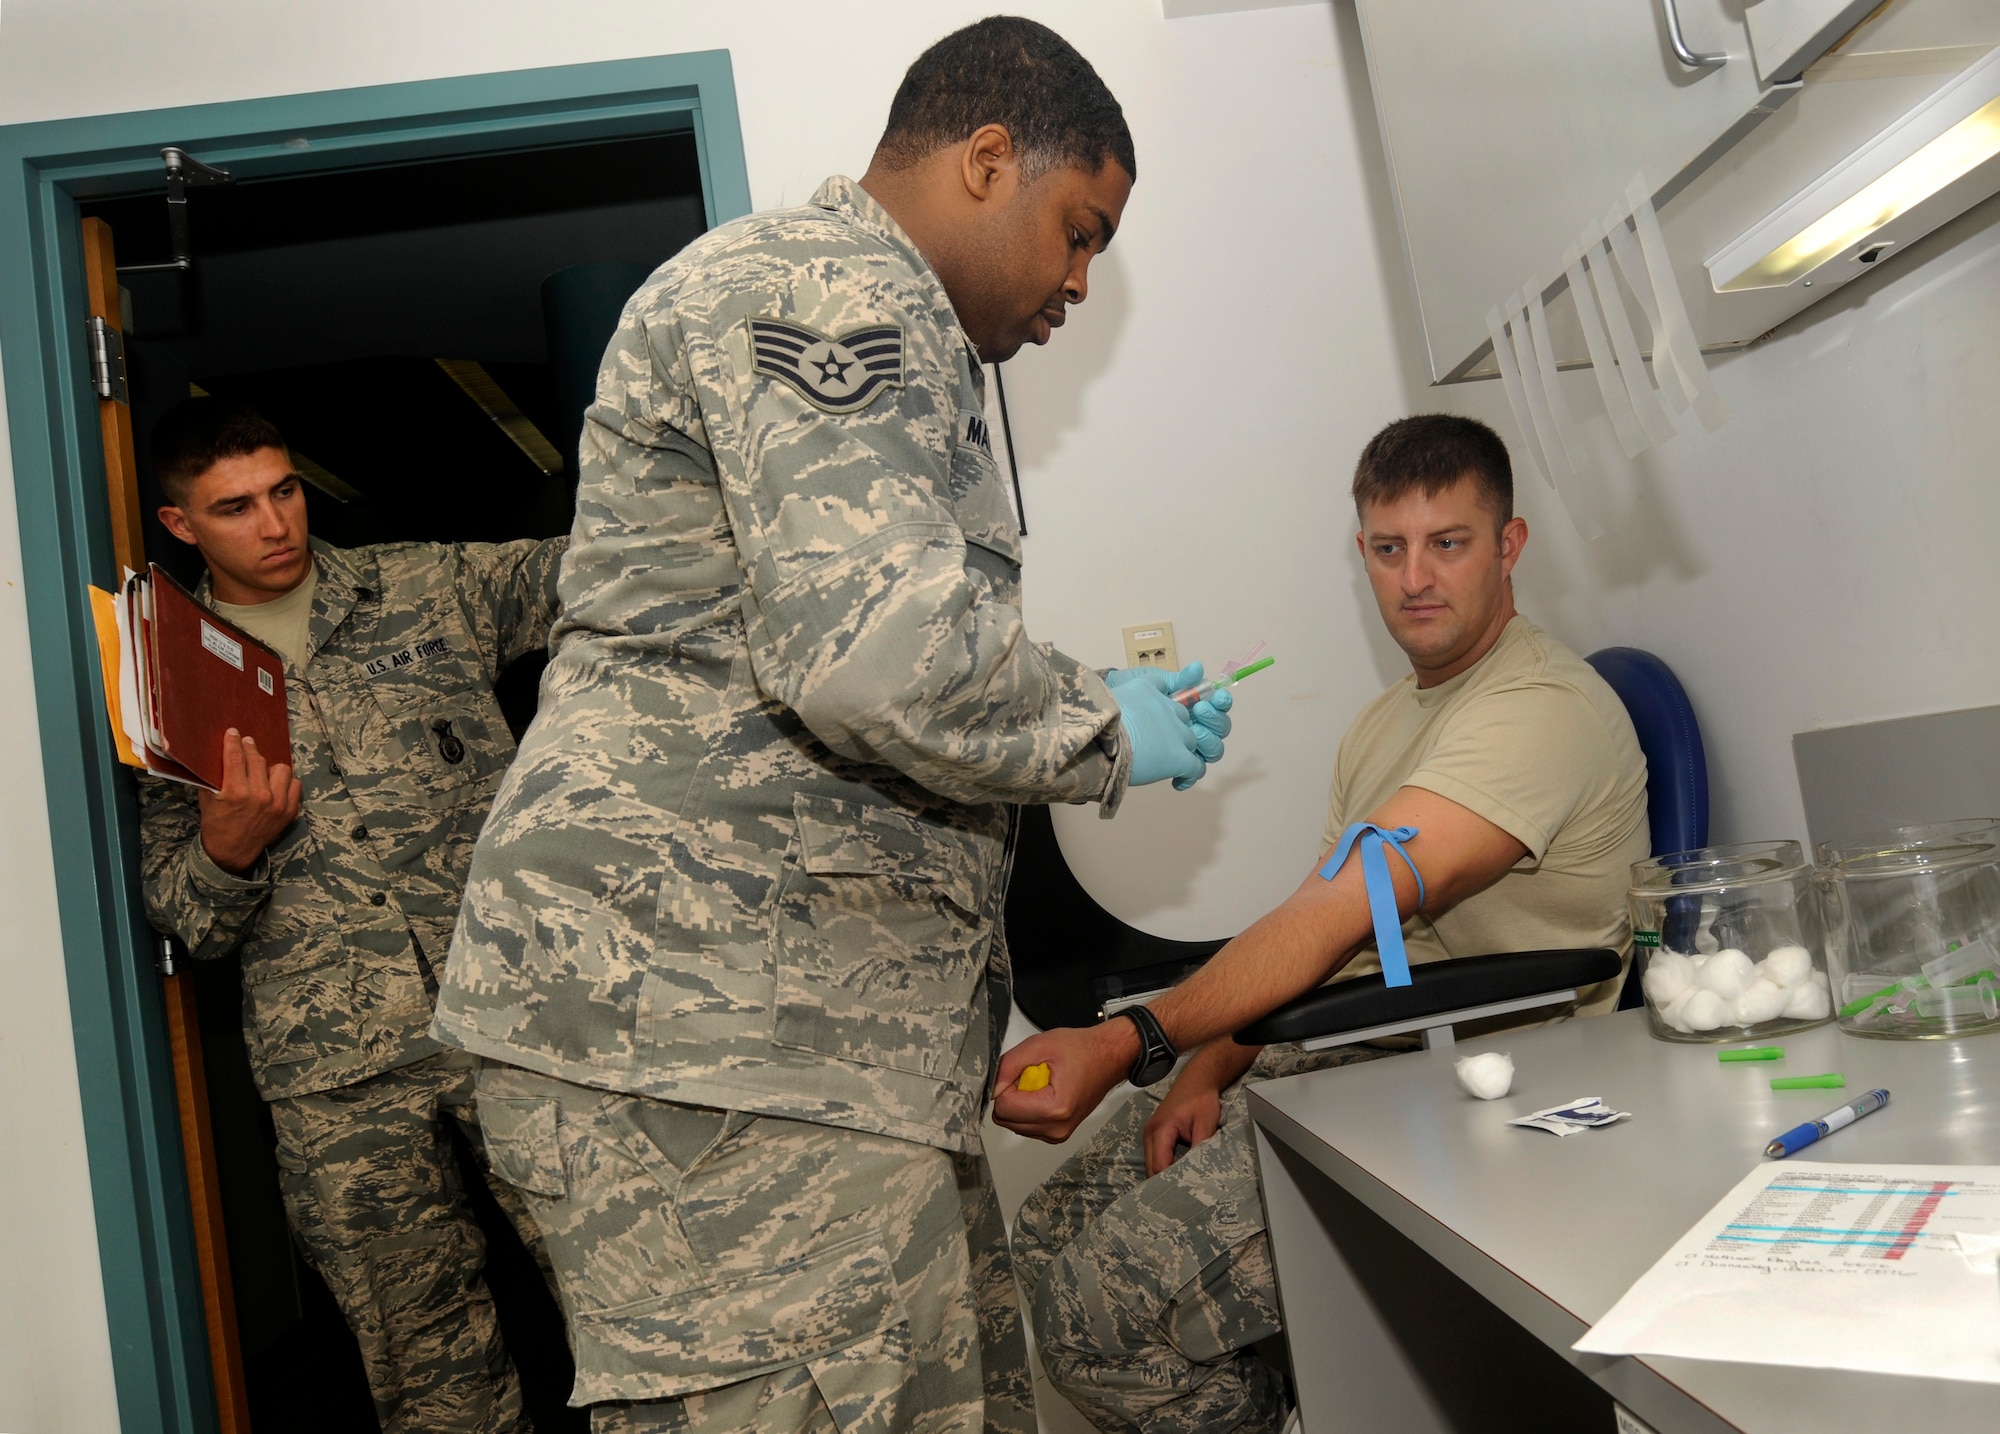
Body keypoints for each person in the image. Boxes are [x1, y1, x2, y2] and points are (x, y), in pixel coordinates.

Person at [429, 17, 1230, 1433]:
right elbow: (874, 653)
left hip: (788, 1047)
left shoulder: (867, 309)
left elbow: (846, 634)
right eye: (1078, 229)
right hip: (703, 1045)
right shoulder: (829, 292)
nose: (1080, 282)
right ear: (989, 161)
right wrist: (1100, 723)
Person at [995, 414, 1650, 1433]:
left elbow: (1348, 905)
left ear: (1508, 547)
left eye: (1449, 542)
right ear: (1362, 557)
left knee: (1093, 1320)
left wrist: (1136, 1039)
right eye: (1388, 549)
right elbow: (1323, 934)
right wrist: (1203, 1074)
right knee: (1042, 1236)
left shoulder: (1540, 706)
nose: (1415, 577)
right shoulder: (1381, 724)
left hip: (1488, 1084)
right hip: (1364, 1049)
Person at [138, 397, 567, 1434]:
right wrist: (227, 851)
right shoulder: (165, 684)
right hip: (336, 1076)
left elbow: (603, 567)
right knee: (423, 1361)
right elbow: (184, 919)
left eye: (283, 490)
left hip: (507, 1017)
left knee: (631, 1282)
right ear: (181, 526)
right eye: (235, 507)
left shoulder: (425, 586)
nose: (276, 524)